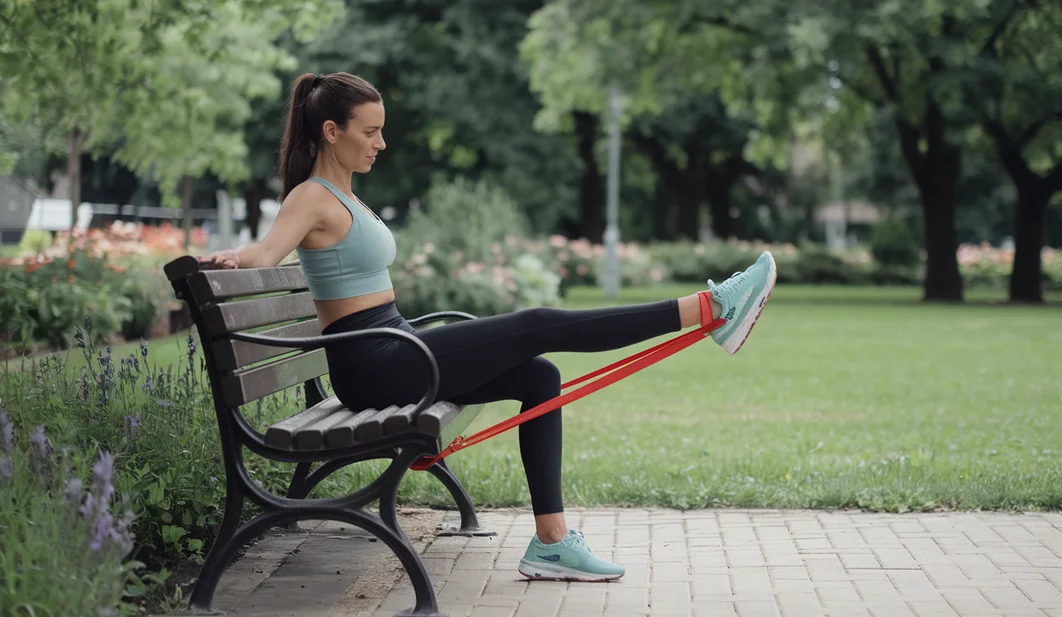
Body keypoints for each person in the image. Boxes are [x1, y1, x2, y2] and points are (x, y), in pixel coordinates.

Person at [201, 71, 777, 583]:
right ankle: (709, 308)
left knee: (539, 376)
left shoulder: (345, 194)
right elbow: (270, 251)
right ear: (331, 132)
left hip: (394, 348)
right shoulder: (311, 196)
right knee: (537, 324)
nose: (381, 142)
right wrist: (234, 257)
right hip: (376, 365)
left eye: (381, 130)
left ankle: (551, 544)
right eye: (370, 131)